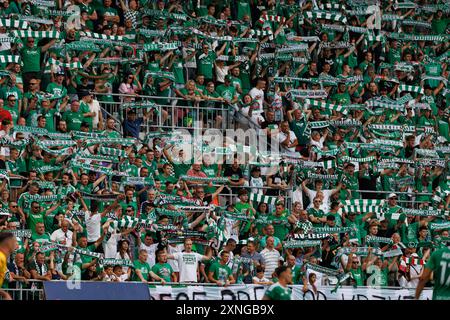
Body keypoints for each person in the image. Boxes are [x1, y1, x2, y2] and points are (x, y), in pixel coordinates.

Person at [0, 232, 17, 300]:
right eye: (15, 242)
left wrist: (4, 294)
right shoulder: (1, 257)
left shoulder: (3, 257)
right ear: (9, 243)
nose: (17, 245)